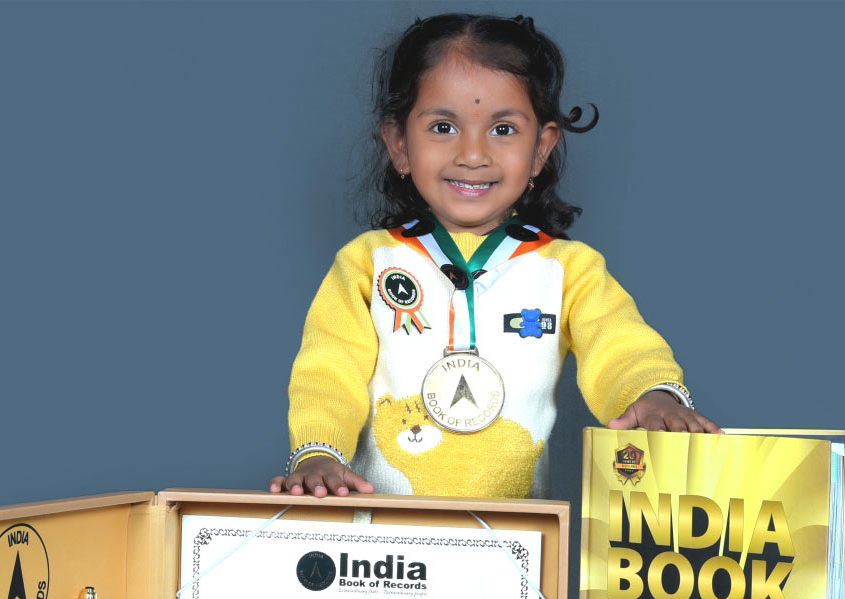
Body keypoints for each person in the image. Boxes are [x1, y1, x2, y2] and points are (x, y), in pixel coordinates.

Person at [270, 13, 719, 499]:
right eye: (443, 126)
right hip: (379, 548)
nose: (473, 154)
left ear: (541, 149)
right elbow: (328, 370)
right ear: (399, 144)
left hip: (516, 543)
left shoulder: (570, 271)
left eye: (503, 130)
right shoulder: (365, 265)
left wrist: (652, 394)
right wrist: (319, 454)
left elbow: (620, 346)